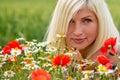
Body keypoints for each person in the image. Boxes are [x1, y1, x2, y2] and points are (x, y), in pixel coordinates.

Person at [44, 0, 120, 65]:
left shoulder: (116, 57)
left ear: (101, 22)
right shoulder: (49, 62)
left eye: (87, 20)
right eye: (70, 21)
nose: (77, 32)